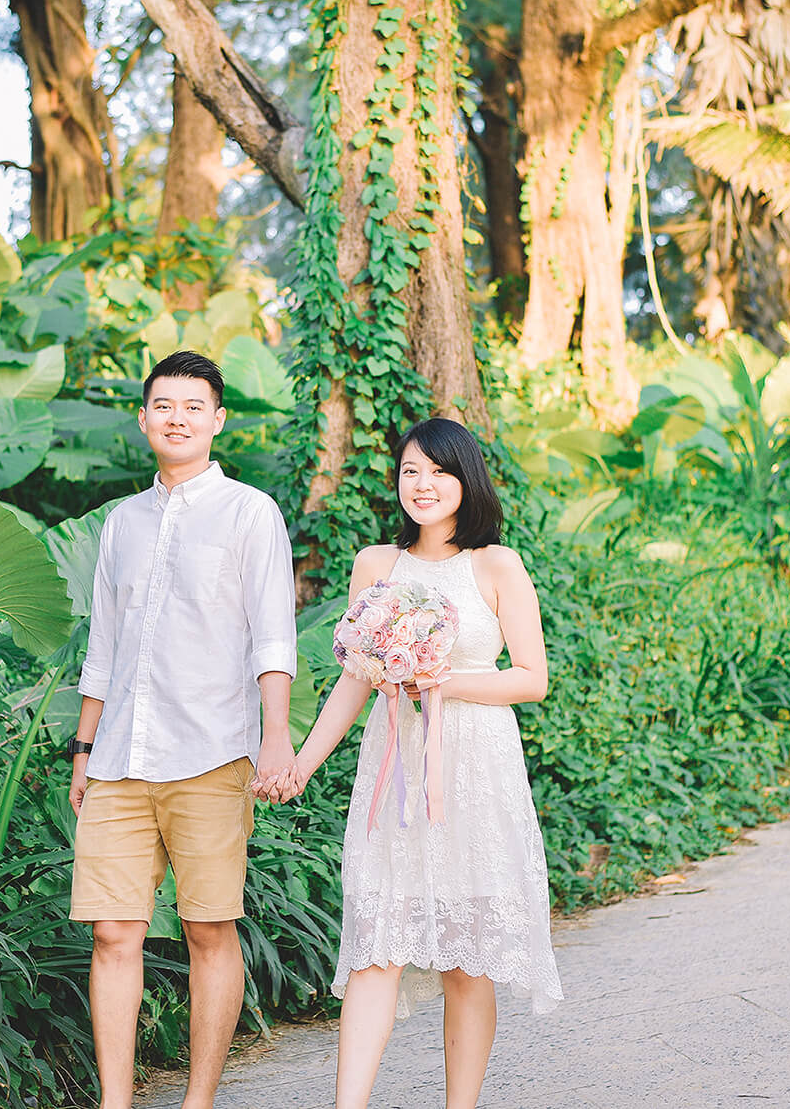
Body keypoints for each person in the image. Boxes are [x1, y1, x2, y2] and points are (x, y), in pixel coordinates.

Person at [266, 416, 562, 1109]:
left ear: (467, 480)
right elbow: (353, 680)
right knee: (376, 945)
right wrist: (303, 765)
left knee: (466, 961)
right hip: (393, 766)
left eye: (438, 471)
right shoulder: (376, 565)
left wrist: (441, 681)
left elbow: (531, 678)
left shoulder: (498, 565)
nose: (422, 485)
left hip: (476, 769)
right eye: (409, 472)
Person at [68, 349, 300, 1109]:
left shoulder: (250, 513)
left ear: (217, 419)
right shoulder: (120, 525)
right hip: (118, 757)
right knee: (112, 934)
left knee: (208, 932)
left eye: (192, 406)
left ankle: (198, 1100)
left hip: (210, 750)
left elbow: (272, 635)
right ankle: (117, 1101)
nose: (177, 418)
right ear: (144, 418)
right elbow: (104, 645)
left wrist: (276, 736)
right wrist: (82, 747)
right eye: (163, 405)